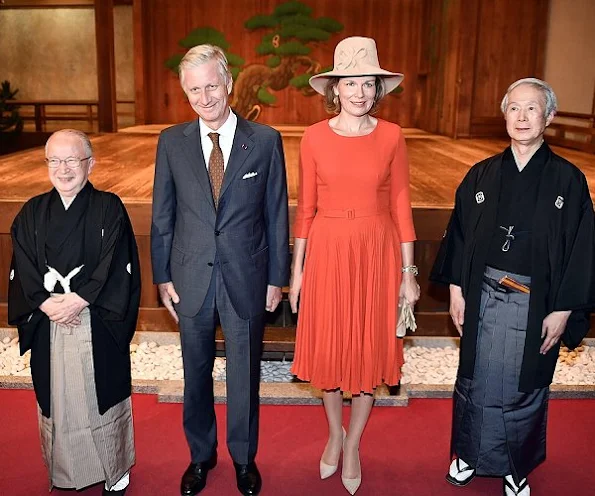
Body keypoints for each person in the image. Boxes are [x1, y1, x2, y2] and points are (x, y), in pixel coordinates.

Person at [431, 78, 595, 496]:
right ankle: (468, 454)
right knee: (475, 379)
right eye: (514, 108)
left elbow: (582, 249)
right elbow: (460, 236)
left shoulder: (568, 181)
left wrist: (564, 309)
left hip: (536, 301)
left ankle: (515, 466)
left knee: (525, 383)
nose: (522, 117)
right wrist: (455, 289)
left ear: (549, 117)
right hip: (482, 294)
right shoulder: (481, 175)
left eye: (532, 109)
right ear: (505, 115)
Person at [150, 44, 289, 496]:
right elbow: (163, 215)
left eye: (212, 86)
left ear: (229, 83)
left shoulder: (265, 141)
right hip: (189, 277)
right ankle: (201, 455)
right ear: (184, 92)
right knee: (195, 372)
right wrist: (162, 277)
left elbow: (276, 214)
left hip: (246, 277)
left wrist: (276, 279)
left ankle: (244, 459)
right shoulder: (171, 142)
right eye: (194, 90)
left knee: (245, 375)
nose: (205, 97)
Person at [289, 36, 420, 495]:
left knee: (366, 351)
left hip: (376, 253)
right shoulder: (312, 137)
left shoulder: (392, 136)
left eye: (368, 83)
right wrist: (297, 271)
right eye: (351, 83)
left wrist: (409, 274)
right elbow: (305, 208)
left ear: (377, 88)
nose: (360, 92)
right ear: (335, 88)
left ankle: (354, 444)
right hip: (327, 250)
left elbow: (402, 204)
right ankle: (333, 433)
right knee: (329, 350)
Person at [8, 129, 140, 495]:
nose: (63, 169)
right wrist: (46, 302)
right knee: (59, 398)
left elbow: (118, 262)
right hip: (49, 318)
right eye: (55, 160)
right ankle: (66, 470)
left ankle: (114, 471)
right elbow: (23, 262)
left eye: (72, 160)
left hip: (96, 318)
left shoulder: (109, 206)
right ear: (46, 164)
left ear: (90, 164)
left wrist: (80, 299)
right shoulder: (32, 211)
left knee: (101, 393)